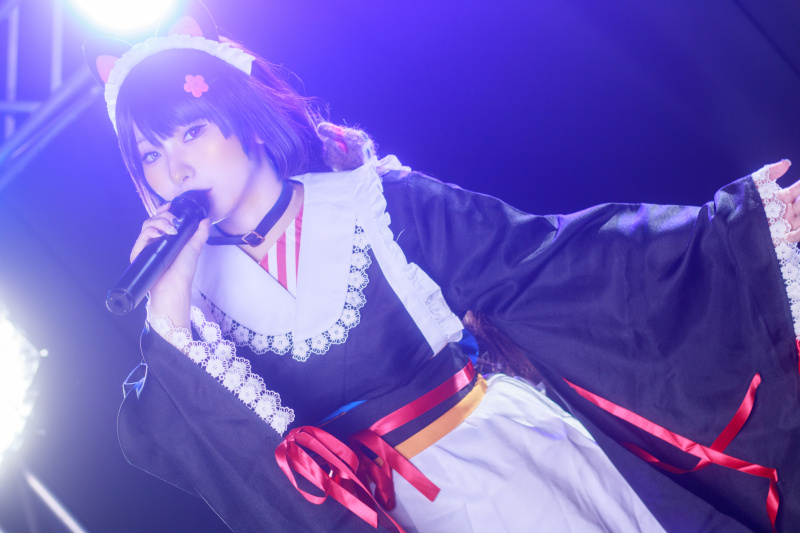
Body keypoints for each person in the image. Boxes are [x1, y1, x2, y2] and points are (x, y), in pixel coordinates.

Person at [86, 3, 800, 532]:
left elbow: (546, 259)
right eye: (150, 155)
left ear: (242, 119)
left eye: (191, 132)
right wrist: (167, 308)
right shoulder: (187, 310)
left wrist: (731, 232)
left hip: (504, 471)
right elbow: (180, 446)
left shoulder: (372, 202)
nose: (175, 169)